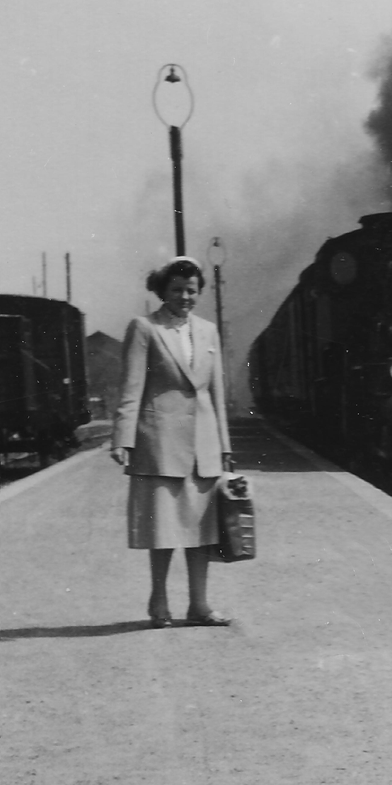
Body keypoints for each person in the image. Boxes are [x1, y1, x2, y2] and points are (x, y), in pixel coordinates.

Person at [111, 257, 234, 628]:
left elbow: (216, 393)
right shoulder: (145, 328)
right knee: (162, 529)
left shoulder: (209, 332)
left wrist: (226, 447)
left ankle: (199, 606)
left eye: (192, 290)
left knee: (202, 529)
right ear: (162, 291)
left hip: (204, 445)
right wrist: (123, 438)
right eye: (177, 290)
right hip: (160, 443)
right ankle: (159, 603)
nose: (185, 296)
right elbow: (131, 388)